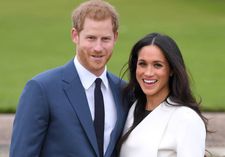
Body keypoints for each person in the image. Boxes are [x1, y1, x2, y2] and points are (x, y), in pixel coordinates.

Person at [10, 0, 130, 157]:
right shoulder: (42, 89)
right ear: (75, 35)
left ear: (115, 37)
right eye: (91, 38)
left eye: (105, 39)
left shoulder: (124, 91)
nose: (98, 48)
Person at [118, 33, 208, 157]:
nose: (148, 73)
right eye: (142, 64)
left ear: (171, 70)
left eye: (157, 65)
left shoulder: (186, 118)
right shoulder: (131, 107)